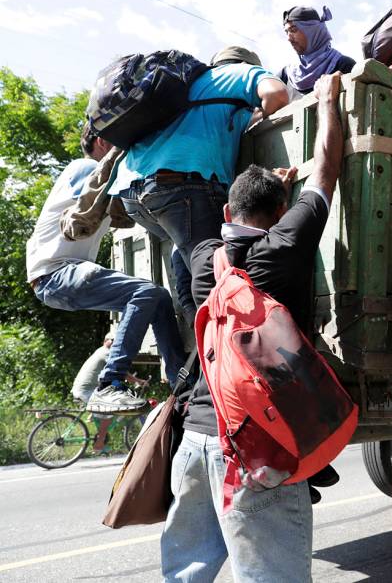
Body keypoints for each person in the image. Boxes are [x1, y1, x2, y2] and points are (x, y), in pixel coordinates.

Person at [160, 73, 345, 582]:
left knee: (187, 572)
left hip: (195, 443)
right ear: (282, 212)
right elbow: (326, 170)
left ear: (226, 212)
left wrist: (277, 198)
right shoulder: (284, 248)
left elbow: (240, 235)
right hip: (254, 446)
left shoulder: (203, 258)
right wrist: (328, 102)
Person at [110, 45, 289, 310]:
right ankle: (217, 341)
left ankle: (194, 326)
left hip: (132, 194)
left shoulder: (188, 84)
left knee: (190, 252)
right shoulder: (241, 73)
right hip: (181, 184)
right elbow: (277, 95)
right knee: (214, 270)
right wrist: (259, 116)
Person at [27, 124, 185, 413]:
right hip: (55, 273)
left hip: (60, 276)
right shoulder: (85, 167)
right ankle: (110, 384)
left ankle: (181, 386)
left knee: (159, 297)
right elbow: (103, 194)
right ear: (101, 141)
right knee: (145, 293)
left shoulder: (104, 182)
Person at [71, 335, 149, 451]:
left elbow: (111, 377)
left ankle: (94, 414)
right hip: (86, 391)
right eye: (111, 340)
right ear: (105, 341)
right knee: (110, 408)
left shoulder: (100, 351)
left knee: (109, 396)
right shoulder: (106, 353)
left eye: (115, 340)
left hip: (83, 389)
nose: (114, 342)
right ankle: (100, 444)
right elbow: (122, 373)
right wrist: (139, 381)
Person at [279, 5, 356, 98]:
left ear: (313, 31)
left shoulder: (344, 65)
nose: (289, 38)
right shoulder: (285, 76)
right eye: (286, 32)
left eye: (293, 30)